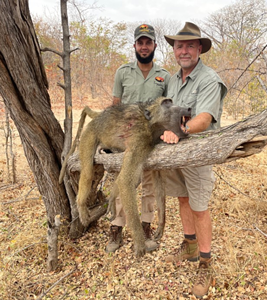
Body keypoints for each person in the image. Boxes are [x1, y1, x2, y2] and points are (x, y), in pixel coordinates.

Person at [161, 22, 227, 298]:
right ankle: (189, 246)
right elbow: (166, 110)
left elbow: (205, 118)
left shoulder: (209, 78)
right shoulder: (172, 80)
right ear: (174, 51)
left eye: (190, 45)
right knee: (183, 198)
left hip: (198, 151)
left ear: (199, 49)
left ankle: (205, 263)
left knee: (200, 207)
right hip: (175, 152)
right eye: (179, 46)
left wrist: (182, 131)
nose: (184, 51)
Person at [106, 24, 171, 253]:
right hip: (127, 139)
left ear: (154, 45)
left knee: (150, 184)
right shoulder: (123, 72)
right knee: (125, 181)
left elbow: (167, 109)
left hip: (151, 141)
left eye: (148, 42)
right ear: (135, 45)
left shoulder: (164, 76)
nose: (144, 47)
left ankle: (145, 227)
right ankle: (116, 229)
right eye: (140, 42)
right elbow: (114, 106)